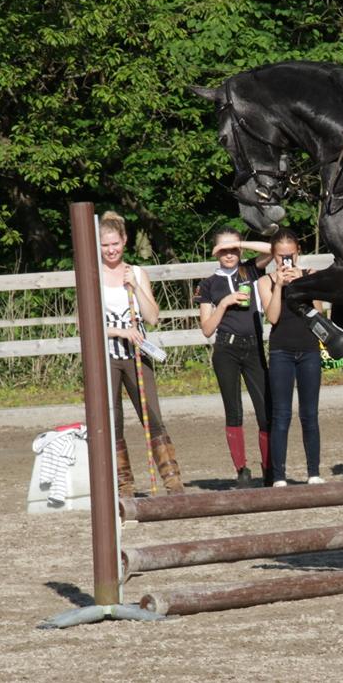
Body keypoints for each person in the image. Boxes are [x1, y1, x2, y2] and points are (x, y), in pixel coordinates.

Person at [99, 211, 183, 497]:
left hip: (138, 355)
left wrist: (135, 288)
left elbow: (153, 317)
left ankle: (172, 480)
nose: (111, 250)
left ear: (124, 241)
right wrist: (120, 332)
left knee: (152, 416)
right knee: (113, 420)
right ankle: (124, 484)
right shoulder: (92, 276)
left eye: (115, 244)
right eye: (105, 245)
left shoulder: (136, 273)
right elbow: (86, 324)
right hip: (108, 357)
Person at [196, 226, 274, 489]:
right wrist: (225, 303)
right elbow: (207, 328)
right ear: (216, 252)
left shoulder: (250, 269)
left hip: (253, 347)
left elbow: (275, 250)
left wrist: (242, 243)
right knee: (234, 410)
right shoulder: (208, 284)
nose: (229, 254)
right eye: (223, 250)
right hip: (226, 349)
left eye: (233, 249)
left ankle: (269, 467)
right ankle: (241, 469)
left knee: (265, 410)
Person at [257, 229, 324, 487]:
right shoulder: (265, 282)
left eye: (291, 255)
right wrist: (280, 286)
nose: (286, 261)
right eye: (281, 256)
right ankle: (280, 476)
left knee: (310, 414)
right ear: (274, 256)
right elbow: (272, 317)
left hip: (308, 349)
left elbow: (319, 314)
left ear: (298, 253)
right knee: (281, 414)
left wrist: (303, 285)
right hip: (281, 350)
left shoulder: (311, 276)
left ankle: (313, 472)